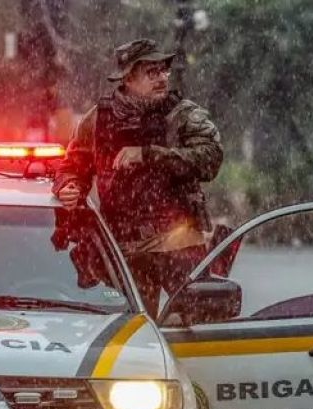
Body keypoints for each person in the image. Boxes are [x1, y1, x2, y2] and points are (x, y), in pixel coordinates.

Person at [53, 39, 223, 317]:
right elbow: (72, 164)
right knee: (124, 335)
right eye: (152, 72)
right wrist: (68, 186)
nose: (162, 78)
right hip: (122, 250)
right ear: (128, 78)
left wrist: (149, 154)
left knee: (199, 327)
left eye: (164, 71)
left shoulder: (183, 115)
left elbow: (210, 159)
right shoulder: (97, 120)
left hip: (177, 245)